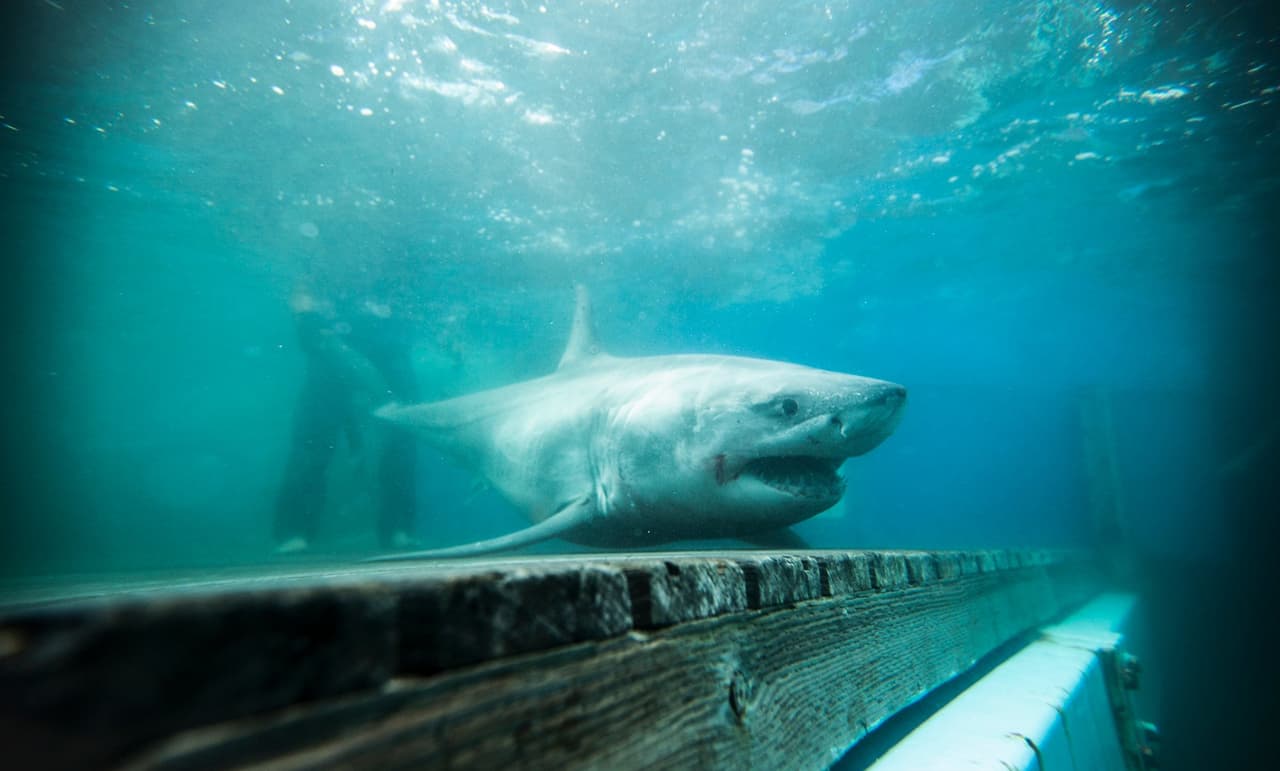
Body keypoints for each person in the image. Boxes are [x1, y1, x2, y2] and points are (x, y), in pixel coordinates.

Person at [274, 282, 421, 553]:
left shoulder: (399, 265)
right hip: (330, 347)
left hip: (386, 349)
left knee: (402, 436)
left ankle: (399, 527)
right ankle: (295, 530)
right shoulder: (324, 260)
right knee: (312, 439)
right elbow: (302, 287)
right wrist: (305, 316)